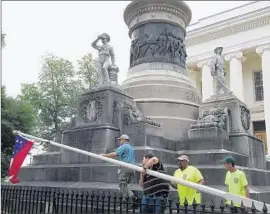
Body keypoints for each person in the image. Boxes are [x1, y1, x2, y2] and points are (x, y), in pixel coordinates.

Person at [100, 134, 137, 208]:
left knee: (123, 185)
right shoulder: (131, 148)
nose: (120, 141)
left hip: (125, 168)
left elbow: (114, 154)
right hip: (132, 168)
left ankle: (133, 198)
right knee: (125, 185)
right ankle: (125, 204)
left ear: (123, 140)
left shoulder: (123, 147)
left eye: (120, 140)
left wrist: (103, 155)